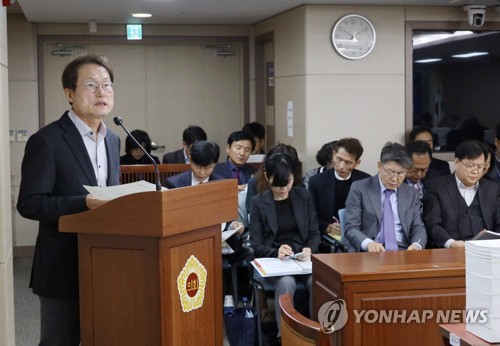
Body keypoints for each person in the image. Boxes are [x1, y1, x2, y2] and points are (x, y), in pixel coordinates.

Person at [16, 54, 121, 345]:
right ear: (70, 94)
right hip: (62, 267)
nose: (102, 92)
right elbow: (30, 203)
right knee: (59, 340)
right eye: (91, 85)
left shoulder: (113, 140)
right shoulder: (47, 140)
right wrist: (83, 202)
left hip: (106, 262)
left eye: (107, 85)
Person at [249, 152, 320, 337]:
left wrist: (310, 248)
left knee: (318, 281)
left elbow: (314, 233)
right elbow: (255, 243)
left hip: (302, 259)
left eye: (287, 183)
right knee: (287, 282)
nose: (283, 189)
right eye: (277, 184)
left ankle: (318, 334)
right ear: (267, 176)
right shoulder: (258, 203)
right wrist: (275, 251)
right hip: (275, 261)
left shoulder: (304, 196)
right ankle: (286, 337)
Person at [344, 142, 427, 252]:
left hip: (403, 251)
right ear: (379, 166)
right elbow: (351, 228)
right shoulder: (360, 188)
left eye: (401, 173)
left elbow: (418, 226)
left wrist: (417, 244)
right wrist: (368, 243)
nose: (394, 179)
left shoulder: (411, 193)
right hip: (370, 250)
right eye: (391, 172)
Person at [423, 140, 500, 248]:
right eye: (470, 166)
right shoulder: (437, 187)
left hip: (485, 249)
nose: (475, 171)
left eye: (480, 166)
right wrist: (451, 243)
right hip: (450, 250)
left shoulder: (492, 188)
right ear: (457, 162)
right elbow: (432, 224)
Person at [309, 138, 370, 236]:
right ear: (333, 154)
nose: (341, 166)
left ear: (357, 163)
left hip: (358, 234)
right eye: (339, 159)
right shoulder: (317, 181)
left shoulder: (365, 181)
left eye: (348, 162)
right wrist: (327, 227)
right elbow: (310, 214)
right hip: (328, 237)